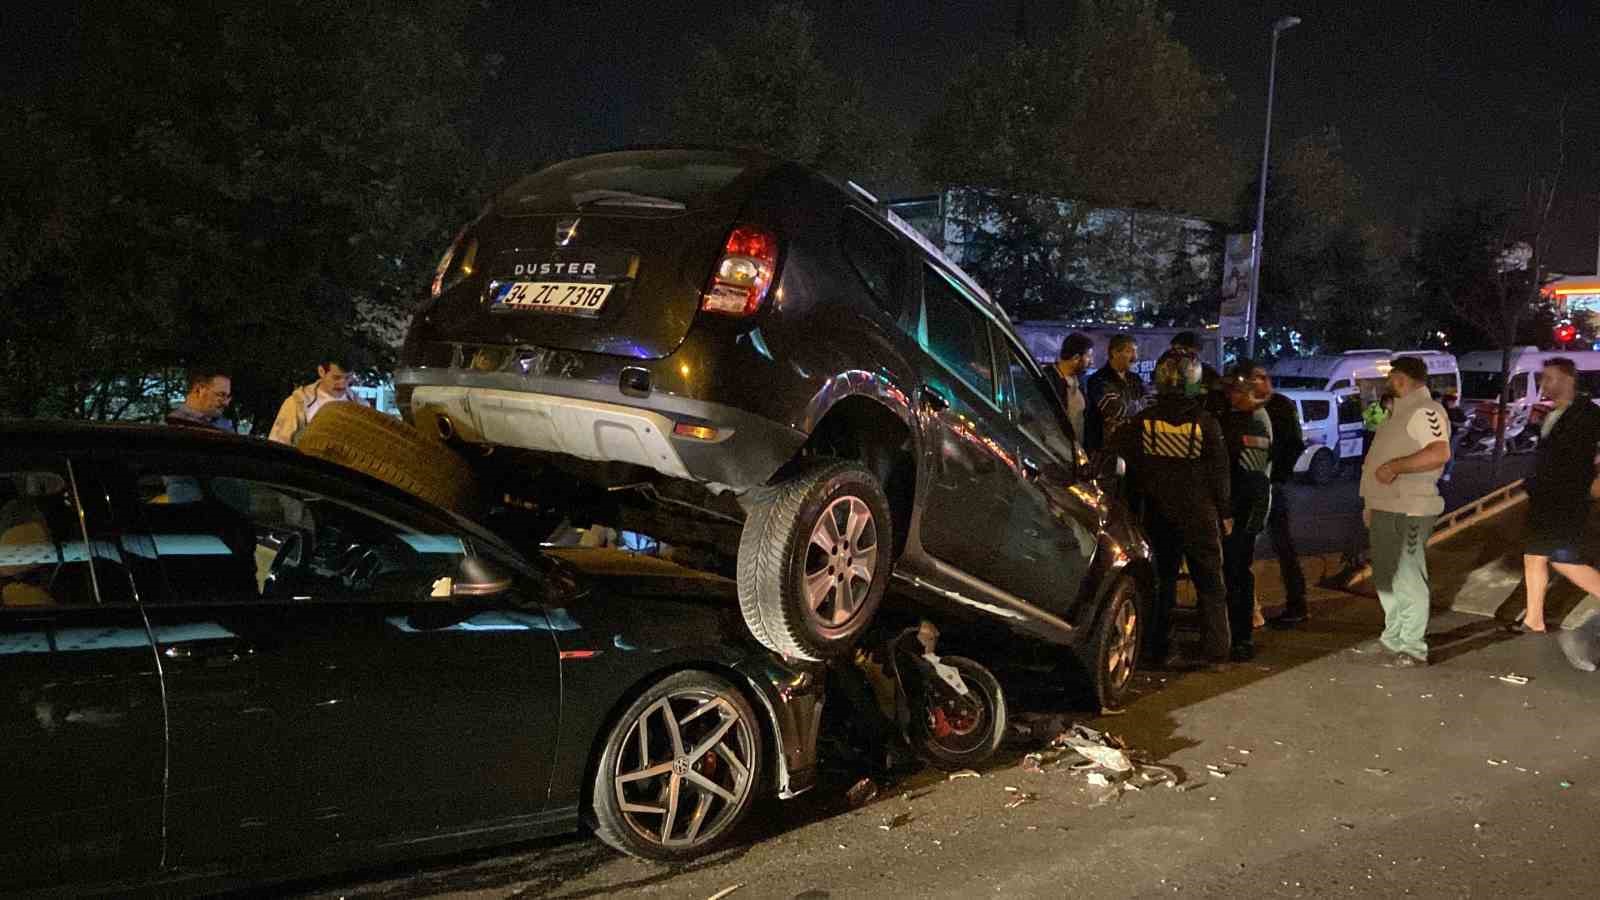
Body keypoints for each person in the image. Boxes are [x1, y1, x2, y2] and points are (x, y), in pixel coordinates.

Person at [1110, 350, 1231, 669]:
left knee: (1161, 585)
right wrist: (1226, 513)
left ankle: (1158, 649)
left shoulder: (1142, 422)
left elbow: (1117, 458)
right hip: (1199, 517)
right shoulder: (1207, 424)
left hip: (1159, 516)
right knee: (1210, 585)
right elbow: (1220, 474)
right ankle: (1216, 653)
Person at [1356, 356, 1451, 667]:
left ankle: (1411, 646)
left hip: (1410, 507)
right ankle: (1393, 637)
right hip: (1387, 506)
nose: (1388, 381)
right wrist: (1371, 504)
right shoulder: (1397, 412)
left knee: (1408, 574)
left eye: (1392, 375)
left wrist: (1396, 467)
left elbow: (1439, 453)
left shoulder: (1426, 410)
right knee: (1386, 575)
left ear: (1402, 378)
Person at [1519, 358, 1600, 633]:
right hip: (1545, 497)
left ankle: (1534, 619)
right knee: (1534, 556)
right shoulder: (1552, 413)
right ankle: (1533, 619)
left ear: (1568, 380)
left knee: (1563, 559)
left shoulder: (1586, 413)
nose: (1544, 384)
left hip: (1567, 498)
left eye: (1550, 378)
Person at [1217, 371, 1274, 662]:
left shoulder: (1253, 422)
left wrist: (1239, 517)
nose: (1232, 397)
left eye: (1237, 392)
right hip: (1231, 510)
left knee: (1238, 573)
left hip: (1242, 512)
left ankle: (1241, 638)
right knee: (1230, 573)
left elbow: (1253, 478)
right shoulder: (1230, 419)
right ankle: (1230, 634)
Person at [1249, 363, 1309, 628]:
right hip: (1260, 484)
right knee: (1271, 546)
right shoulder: (1254, 406)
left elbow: (1294, 444)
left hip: (1271, 485)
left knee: (1281, 546)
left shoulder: (1279, 406)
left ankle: (1296, 605)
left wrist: (1275, 474)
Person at [268, 357, 359, 446]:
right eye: (336, 378)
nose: (342, 384)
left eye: (347, 378)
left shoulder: (360, 406)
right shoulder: (297, 403)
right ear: (321, 371)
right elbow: (277, 445)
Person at [1084, 333, 1146, 452]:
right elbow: (1115, 409)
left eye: (1135, 352)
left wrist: (1133, 408)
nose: (1135, 357)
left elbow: (1150, 404)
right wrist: (1139, 405)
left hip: (1134, 447)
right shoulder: (1098, 379)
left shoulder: (1135, 379)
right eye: (1129, 352)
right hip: (1106, 449)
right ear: (1114, 353)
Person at [1045, 332, 1094, 442]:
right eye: (1089, 356)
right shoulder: (1047, 381)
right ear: (1076, 358)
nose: (1092, 361)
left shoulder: (1080, 381)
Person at [165, 367, 236, 432]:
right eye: (221, 395)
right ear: (199, 390)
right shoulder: (175, 425)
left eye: (228, 397)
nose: (226, 403)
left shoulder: (224, 425)